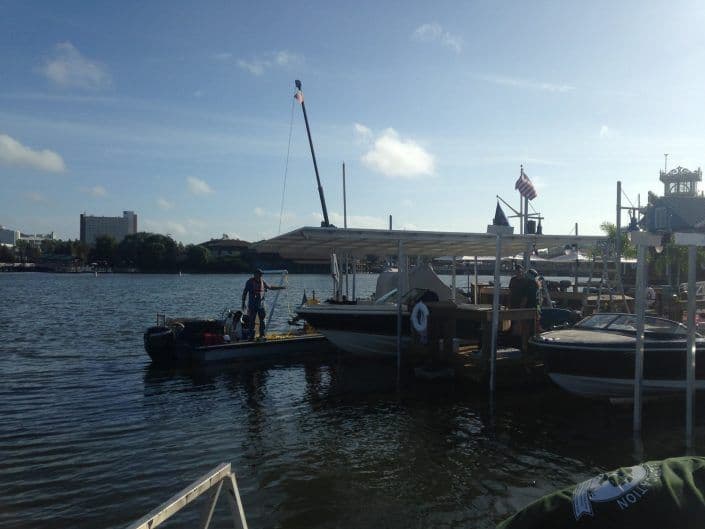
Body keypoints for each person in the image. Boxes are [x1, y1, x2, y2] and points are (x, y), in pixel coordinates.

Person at [241, 269, 285, 340]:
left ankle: (262, 335)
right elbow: (245, 292)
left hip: (261, 305)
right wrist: (243, 302)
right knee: (252, 320)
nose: (261, 275)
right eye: (259, 274)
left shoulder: (263, 282)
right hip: (252, 305)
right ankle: (251, 336)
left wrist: (281, 287)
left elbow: (270, 287)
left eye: (261, 274)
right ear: (255, 274)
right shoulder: (249, 282)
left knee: (262, 319)